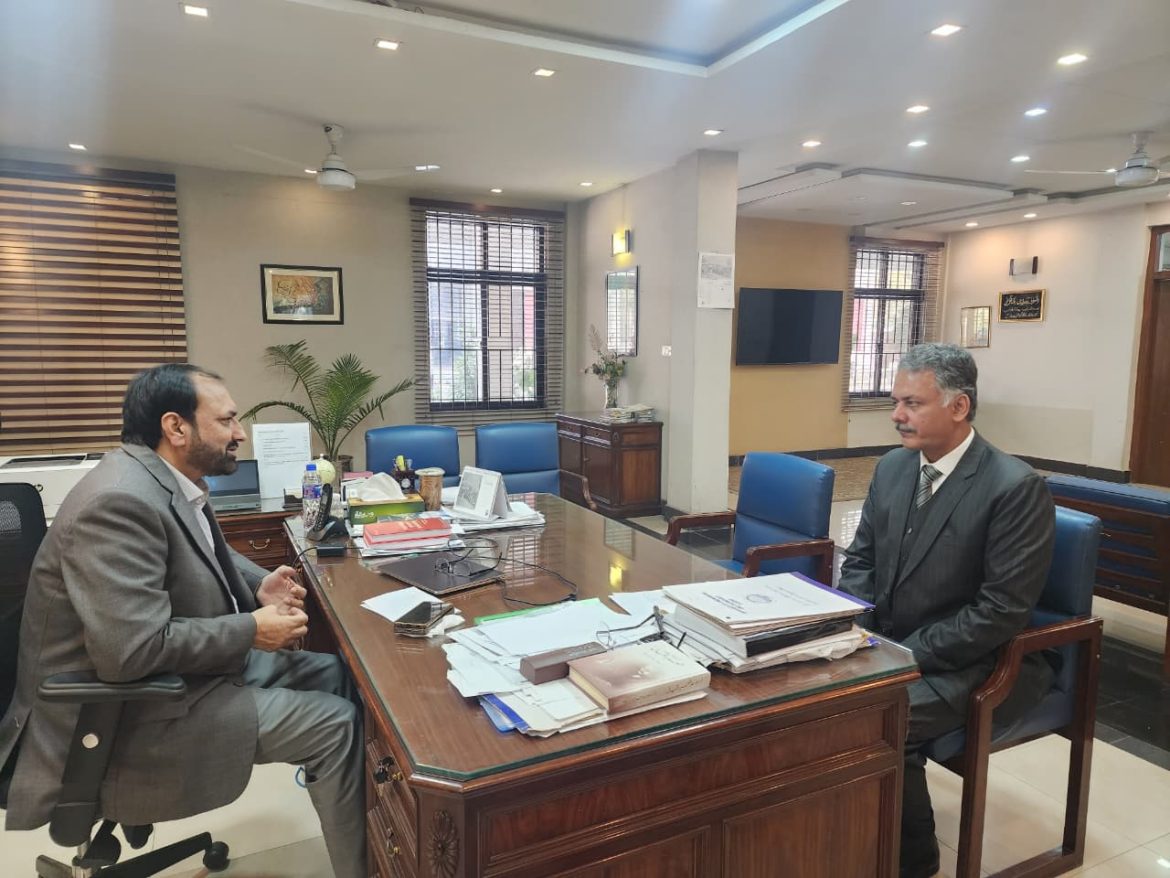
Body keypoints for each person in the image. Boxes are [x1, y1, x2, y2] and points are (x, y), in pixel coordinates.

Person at [0, 364, 366, 878]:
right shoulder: (117, 502)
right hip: (120, 716)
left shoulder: (164, 479)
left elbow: (202, 549)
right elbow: (130, 652)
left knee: (337, 675)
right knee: (337, 726)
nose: (240, 433)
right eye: (227, 420)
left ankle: (381, 835)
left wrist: (259, 584)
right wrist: (252, 629)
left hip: (169, 681)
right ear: (176, 427)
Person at [838, 343, 1055, 878]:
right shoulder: (893, 468)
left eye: (912, 403)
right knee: (810, 703)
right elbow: (861, 559)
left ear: (959, 407)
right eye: (896, 401)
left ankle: (912, 859)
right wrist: (859, 632)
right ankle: (848, 831)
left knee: (876, 718)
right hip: (888, 643)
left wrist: (901, 655)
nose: (896, 415)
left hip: (978, 661)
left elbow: (1000, 611)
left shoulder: (1013, 488)